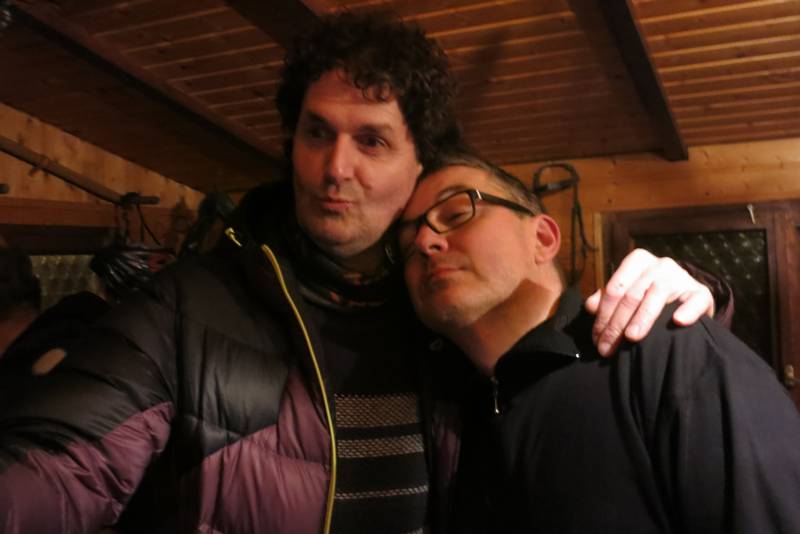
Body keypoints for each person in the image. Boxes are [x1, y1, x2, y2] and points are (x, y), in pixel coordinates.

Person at [0, 12, 724, 534]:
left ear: (418, 166)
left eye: (371, 141)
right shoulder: (187, 307)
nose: (334, 168)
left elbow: (561, 342)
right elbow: (59, 468)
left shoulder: (446, 310)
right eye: (317, 133)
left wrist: (682, 299)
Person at [398, 151, 800, 533]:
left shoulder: (663, 351)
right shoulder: (447, 419)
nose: (424, 243)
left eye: (456, 214)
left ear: (543, 238)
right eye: (405, 246)